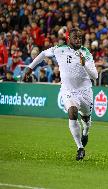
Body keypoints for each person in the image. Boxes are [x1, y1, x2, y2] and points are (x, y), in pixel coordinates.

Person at [24, 28, 98, 161]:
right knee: (72, 112)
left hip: (85, 91)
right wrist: (30, 68)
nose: (78, 40)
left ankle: (86, 132)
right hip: (68, 90)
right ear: (68, 38)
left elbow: (95, 76)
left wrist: (84, 64)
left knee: (86, 120)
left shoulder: (85, 53)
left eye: (80, 37)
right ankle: (80, 148)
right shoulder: (59, 49)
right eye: (75, 37)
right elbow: (42, 54)